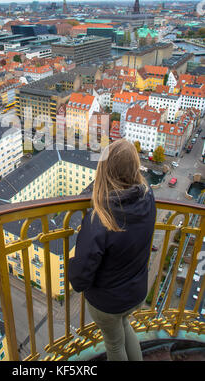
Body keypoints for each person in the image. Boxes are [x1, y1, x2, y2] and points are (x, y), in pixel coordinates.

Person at [68, 139, 156, 361]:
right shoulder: (147, 197)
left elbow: (79, 281)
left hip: (108, 302)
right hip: (135, 293)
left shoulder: (100, 219)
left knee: (114, 345)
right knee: (124, 325)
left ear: (104, 171)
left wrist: (71, 261)